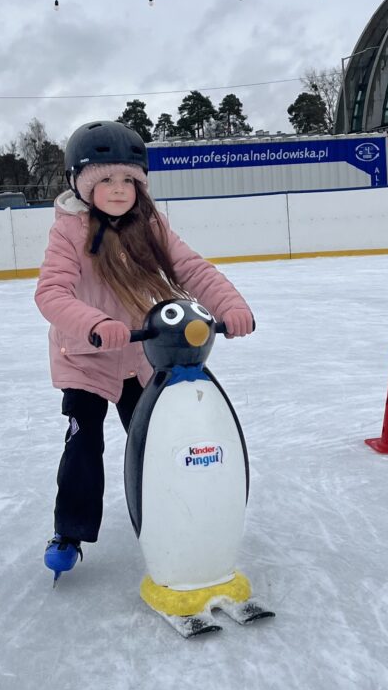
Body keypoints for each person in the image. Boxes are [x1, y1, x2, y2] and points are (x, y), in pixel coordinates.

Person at [35, 119, 254, 580]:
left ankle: (173, 512)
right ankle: (69, 531)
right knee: (84, 443)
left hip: (138, 359)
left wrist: (230, 306)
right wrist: (95, 324)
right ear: (81, 185)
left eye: (128, 180)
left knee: (158, 440)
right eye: (106, 180)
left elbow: (192, 269)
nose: (119, 189)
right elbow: (51, 293)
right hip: (86, 359)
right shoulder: (69, 232)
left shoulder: (150, 225)